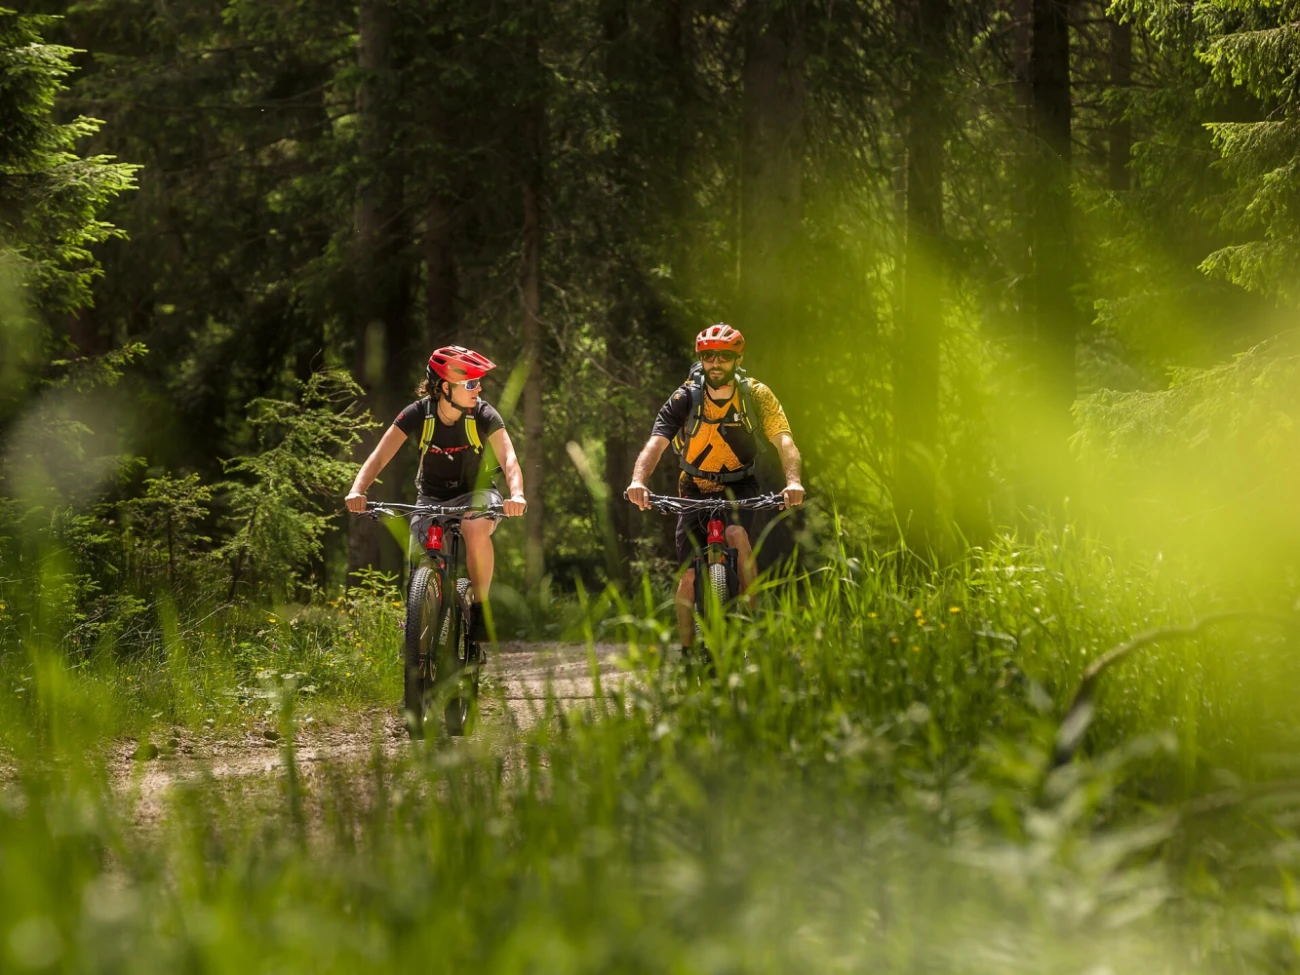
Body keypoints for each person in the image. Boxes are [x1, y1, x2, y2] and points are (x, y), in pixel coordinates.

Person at [625, 323, 804, 654]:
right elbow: (656, 443)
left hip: (740, 484)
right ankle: (686, 652)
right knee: (689, 577)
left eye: (723, 356)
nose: (715, 362)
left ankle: (751, 631)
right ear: (701, 359)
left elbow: (784, 441)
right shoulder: (685, 397)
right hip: (693, 486)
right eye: (708, 356)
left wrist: (793, 481)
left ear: (738, 359)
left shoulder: (756, 395)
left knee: (737, 535)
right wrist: (639, 481)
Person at [346, 345, 527, 640]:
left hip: (477, 495)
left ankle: (480, 610)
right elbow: (379, 456)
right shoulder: (418, 413)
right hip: (431, 498)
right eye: (470, 383)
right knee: (422, 561)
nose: (478, 389)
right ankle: (421, 638)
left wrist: (516, 494)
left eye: (478, 383)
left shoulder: (482, 413)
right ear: (445, 387)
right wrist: (357, 490)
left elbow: (509, 458)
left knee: (473, 527)